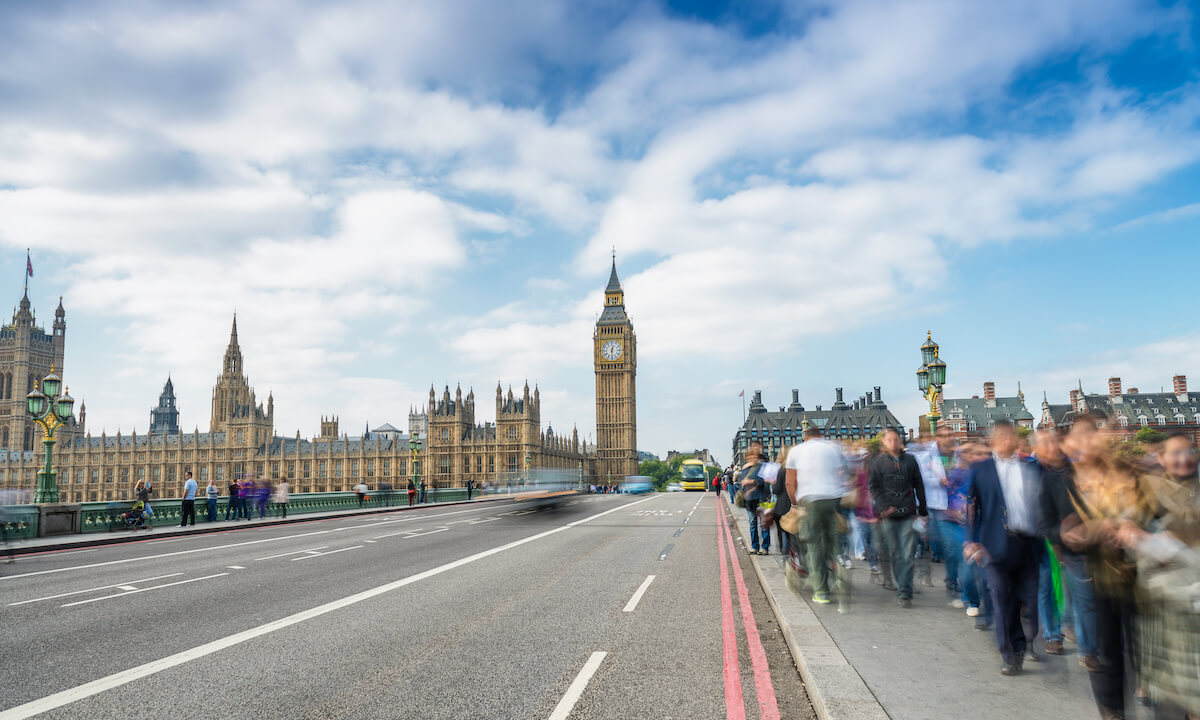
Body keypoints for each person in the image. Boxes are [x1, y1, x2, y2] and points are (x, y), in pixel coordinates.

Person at [1061, 413, 1152, 718]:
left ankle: (1140, 689)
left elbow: (1148, 509)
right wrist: (1077, 534)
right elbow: (1065, 522)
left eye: (1094, 434)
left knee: (1139, 644)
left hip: (1140, 569)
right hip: (1101, 571)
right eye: (1082, 436)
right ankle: (1112, 709)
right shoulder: (1069, 479)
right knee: (1110, 647)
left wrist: (1129, 524)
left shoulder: (1125, 471)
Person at [964, 421, 1043, 676]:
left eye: (1012, 436)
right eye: (1003, 437)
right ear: (993, 441)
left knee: (1027, 600)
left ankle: (1026, 641)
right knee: (1001, 599)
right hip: (994, 545)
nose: (1009, 441)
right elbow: (971, 508)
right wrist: (971, 540)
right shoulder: (981, 470)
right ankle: (1010, 654)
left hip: (1027, 542)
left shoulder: (1030, 468)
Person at [1131, 431, 1200, 718]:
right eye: (1176, 453)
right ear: (1161, 458)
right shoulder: (1149, 489)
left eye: (1189, 451)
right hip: (1168, 596)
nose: (1184, 459)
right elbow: (1131, 533)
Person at [786, 427, 848, 604]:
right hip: (832, 498)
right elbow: (841, 475)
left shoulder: (797, 451)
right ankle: (839, 571)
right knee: (832, 540)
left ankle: (821, 591)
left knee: (814, 545)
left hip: (810, 500)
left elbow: (790, 483)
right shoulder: (833, 448)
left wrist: (795, 505)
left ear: (805, 438)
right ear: (822, 436)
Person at [868, 428, 927, 608]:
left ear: (900, 441)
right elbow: (874, 487)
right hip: (889, 514)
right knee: (895, 553)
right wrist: (883, 507)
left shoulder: (910, 460)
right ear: (884, 443)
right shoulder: (878, 463)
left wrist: (922, 510)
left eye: (896, 439)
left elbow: (919, 485)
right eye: (890, 440)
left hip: (908, 511)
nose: (893, 443)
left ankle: (905, 591)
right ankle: (902, 584)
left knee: (908, 553)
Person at [738, 442, 771, 555]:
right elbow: (740, 483)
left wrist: (752, 481)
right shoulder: (744, 468)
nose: (751, 458)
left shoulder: (762, 466)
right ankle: (754, 546)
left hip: (761, 499)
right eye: (749, 456)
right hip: (749, 499)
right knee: (752, 524)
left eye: (754, 456)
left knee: (763, 524)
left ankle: (765, 547)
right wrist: (743, 483)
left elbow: (765, 482)